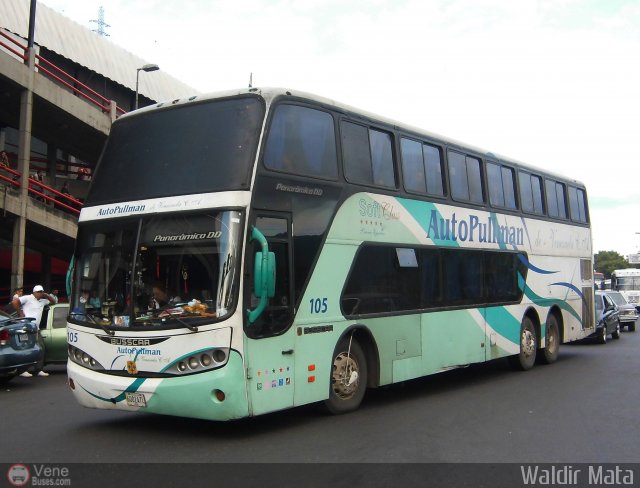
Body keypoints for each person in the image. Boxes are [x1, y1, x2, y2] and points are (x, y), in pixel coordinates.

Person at [12, 285, 56, 377]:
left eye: (41, 292)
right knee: (26, 349)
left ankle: (38, 369)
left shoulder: (43, 301)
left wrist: (46, 295)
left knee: (41, 348)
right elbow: (15, 302)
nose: (40, 293)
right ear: (34, 292)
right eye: (39, 292)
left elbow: (53, 302)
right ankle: (22, 370)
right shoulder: (28, 298)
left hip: (36, 329)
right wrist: (20, 312)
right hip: (27, 328)